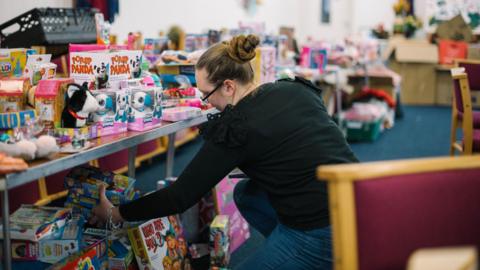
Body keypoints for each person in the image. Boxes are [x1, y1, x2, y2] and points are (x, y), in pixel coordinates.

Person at [91, 34, 358, 270]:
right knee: (246, 193)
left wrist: (116, 214)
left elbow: (179, 196)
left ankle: (308, 256)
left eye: (206, 95)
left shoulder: (239, 126)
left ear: (229, 86)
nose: (206, 103)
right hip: (358, 203)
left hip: (320, 230)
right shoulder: (293, 89)